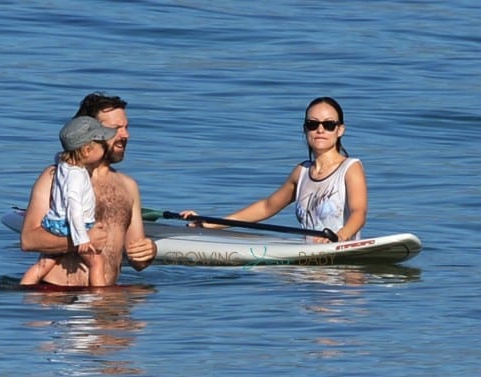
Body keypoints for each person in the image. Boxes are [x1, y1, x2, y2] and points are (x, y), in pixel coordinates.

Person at [182, 96, 367, 243]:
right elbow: (266, 207)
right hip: (308, 272)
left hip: (342, 269)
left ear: (340, 130)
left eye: (328, 125)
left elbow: (359, 213)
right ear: (305, 129)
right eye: (313, 124)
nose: (320, 130)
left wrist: (339, 237)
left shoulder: (350, 168)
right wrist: (211, 224)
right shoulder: (301, 172)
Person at [20, 92, 157, 286]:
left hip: (107, 304)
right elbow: (28, 240)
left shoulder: (128, 186)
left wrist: (149, 251)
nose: (125, 135)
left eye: (126, 127)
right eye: (116, 128)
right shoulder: (55, 177)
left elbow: (138, 262)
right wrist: (80, 241)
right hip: (56, 299)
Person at [29, 116, 117, 286]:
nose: (105, 148)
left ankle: (23, 289)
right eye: (101, 145)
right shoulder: (76, 175)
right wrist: (82, 238)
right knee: (97, 263)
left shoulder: (62, 163)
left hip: (54, 223)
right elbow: (74, 206)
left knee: (44, 264)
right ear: (86, 151)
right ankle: (98, 297)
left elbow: (59, 156)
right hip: (71, 225)